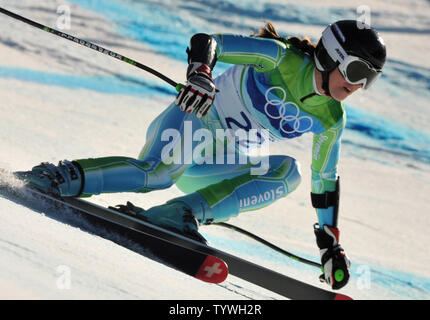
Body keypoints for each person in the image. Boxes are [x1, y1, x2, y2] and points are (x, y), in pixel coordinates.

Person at [16, 20, 386, 290]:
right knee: (158, 174)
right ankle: (59, 176)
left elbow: (326, 181)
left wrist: (330, 243)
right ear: (332, 56)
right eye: (356, 70)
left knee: (289, 173)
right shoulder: (281, 58)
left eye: (368, 79)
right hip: (194, 120)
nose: (356, 85)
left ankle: (180, 214)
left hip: (218, 166)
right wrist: (201, 74)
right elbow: (208, 42)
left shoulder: (332, 119)